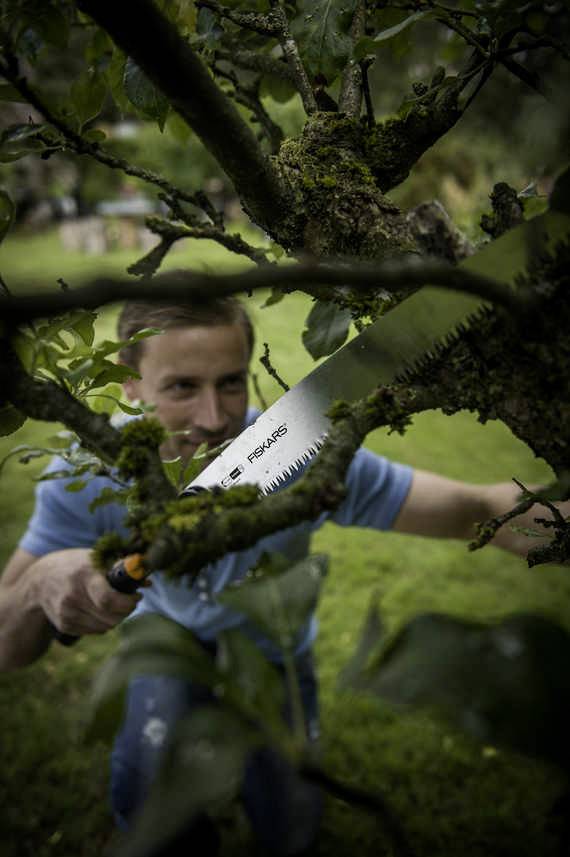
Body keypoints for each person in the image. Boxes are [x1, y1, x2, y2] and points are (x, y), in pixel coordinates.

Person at [0, 294, 562, 854]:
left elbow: (475, 509)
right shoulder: (87, 473)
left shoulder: (294, 448)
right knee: (152, 810)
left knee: (291, 812)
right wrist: (38, 584)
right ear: (128, 380)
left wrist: (558, 517)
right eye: (181, 387)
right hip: (164, 645)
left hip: (276, 651)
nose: (216, 418)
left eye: (230, 382)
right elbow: (8, 641)